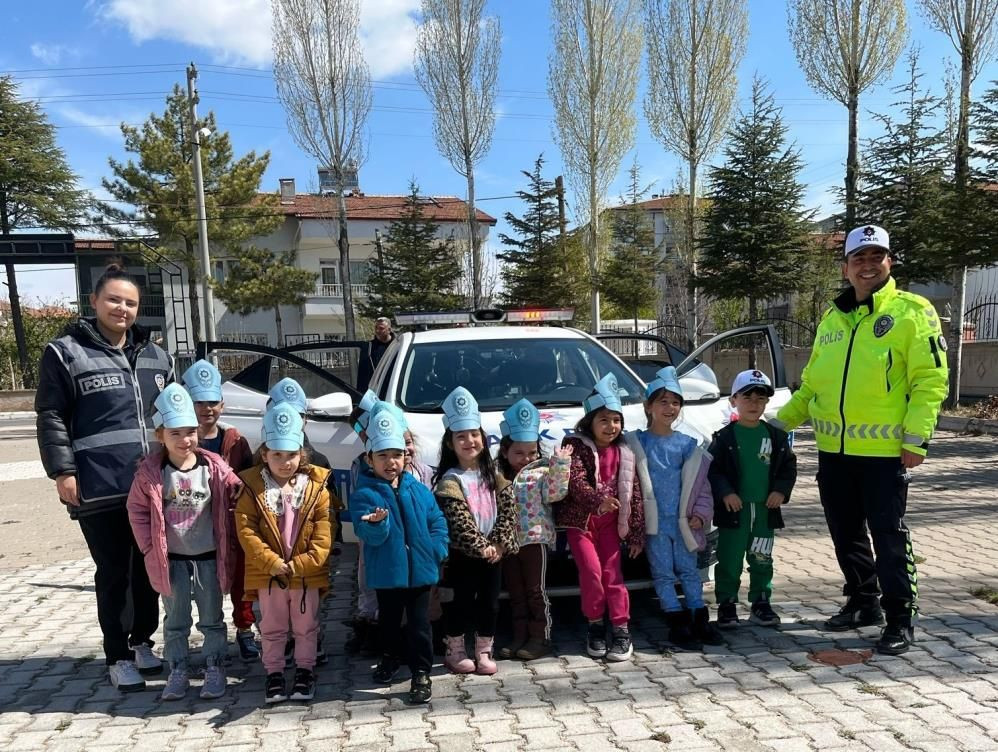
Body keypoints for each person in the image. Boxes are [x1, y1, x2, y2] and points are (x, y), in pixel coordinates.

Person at [774, 225, 949, 655]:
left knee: (889, 536)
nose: (868, 265)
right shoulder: (832, 319)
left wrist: (917, 438)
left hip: (885, 453)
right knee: (845, 533)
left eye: (877, 257)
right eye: (859, 259)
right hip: (834, 453)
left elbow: (930, 380)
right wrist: (775, 426)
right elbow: (813, 385)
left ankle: (901, 618)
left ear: (889, 262)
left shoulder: (913, 311)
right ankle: (862, 602)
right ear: (846, 268)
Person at [35, 261, 173, 692]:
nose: (122, 308)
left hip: (149, 485)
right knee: (112, 571)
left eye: (130, 302)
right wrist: (62, 471)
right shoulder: (65, 352)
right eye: (113, 299)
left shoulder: (157, 356)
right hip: (98, 486)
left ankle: (142, 641)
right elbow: (51, 415)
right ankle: (117, 655)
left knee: (148, 569)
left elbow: (171, 416)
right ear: (93, 301)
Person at [126, 384, 243, 700]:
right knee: (175, 620)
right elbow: (136, 510)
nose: (184, 440)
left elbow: (235, 489)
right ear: (160, 435)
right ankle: (177, 669)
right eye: (175, 433)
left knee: (212, 618)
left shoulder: (213, 466)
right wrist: (149, 546)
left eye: (190, 432)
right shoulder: (152, 472)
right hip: (172, 560)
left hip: (208, 556)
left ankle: (214, 666)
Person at [234, 404, 334, 703]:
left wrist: (301, 564)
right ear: (264, 454)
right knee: (273, 626)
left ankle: (304, 671)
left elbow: (324, 531)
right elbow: (246, 531)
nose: (284, 461)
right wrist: (273, 563)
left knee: (306, 626)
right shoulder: (251, 487)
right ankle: (274, 673)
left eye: (291, 454)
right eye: (276, 454)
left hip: (305, 574)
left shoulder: (316, 488)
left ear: (301, 454)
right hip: (270, 573)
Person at [352, 405, 449, 704]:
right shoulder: (364, 495)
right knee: (390, 622)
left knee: (420, 626)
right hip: (386, 574)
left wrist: (437, 549)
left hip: (420, 572)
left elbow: (437, 522)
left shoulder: (419, 490)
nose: (390, 462)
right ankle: (390, 659)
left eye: (396, 454)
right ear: (370, 459)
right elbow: (364, 532)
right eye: (382, 456)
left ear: (406, 457)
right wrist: (378, 526)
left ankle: (421, 671)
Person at [626, 367, 722, 651]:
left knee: (689, 571)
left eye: (675, 402)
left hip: (683, 523)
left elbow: (700, 487)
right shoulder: (636, 443)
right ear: (648, 406)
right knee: (663, 572)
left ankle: (698, 617)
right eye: (663, 401)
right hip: (655, 524)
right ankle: (675, 620)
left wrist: (701, 515)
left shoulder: (687, 445)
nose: (670, 408)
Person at [556, 374, 644, 661]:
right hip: (581, 524)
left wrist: (636, 533)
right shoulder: (576, 445)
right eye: (604, 420)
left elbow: (635, 492)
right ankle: (595, 626)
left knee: (612, 575)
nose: (611, 426)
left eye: (616, 420)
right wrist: (599, 501)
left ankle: (621, 628)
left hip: (611, 525)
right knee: (592, 574)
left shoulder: (625, 451)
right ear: (590, 422)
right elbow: (576, 481)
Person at [433, 387, 519, 675]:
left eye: (474, 434)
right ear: (450, 444)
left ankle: (484, 650)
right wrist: (481, 546)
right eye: (461, 437)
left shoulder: (495, 475)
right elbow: (459, 520)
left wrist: (500, 544)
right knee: (458, 603)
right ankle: (455, 650)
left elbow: (508, 511)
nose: (469, 441)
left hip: (494, 555)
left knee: (490, 605)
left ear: (483, 437)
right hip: (463, 556)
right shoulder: (449, 480)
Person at [708, 369, 797, 632]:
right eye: (747, 398)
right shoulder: (724, 438)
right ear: (733, 400)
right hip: (734, 513)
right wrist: (726, 492)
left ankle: (761, 600)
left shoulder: (776, 437)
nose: (754, 404)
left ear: (767, 403)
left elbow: (788, 467)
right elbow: (714, 470)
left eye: (760, 399)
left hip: (763, 512)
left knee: (761, 557)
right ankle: (727, 603)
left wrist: (780, 490)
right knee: (730, 559)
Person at [181, 359, 258, 662]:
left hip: (233, 522)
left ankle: (245, 630)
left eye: (212, 402)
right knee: (206, 583)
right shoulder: (182, 441)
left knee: (241, 580)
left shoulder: (235, 441)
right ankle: (212, 634)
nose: (206, 409)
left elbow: (249, 479)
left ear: (223, 405)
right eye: (200, 402)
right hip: (196, 525)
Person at [496, 398, 572, 661]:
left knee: (535, 590)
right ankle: (519, 635)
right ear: (505, 452)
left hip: (534, 538)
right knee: (515, 591)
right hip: (508, 541)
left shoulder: (541, 472)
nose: (526, 458)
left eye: (531, 452)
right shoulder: (498, 475)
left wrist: (560, 466)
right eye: (519, 453)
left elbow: (556, 494)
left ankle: (540, 637)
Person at [358, 317, 395, 391]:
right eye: (376, 328)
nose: (377, 331)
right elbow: (363, 374)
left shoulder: (397, 345)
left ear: (389, 330)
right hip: (376, 389)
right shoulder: (370, 347)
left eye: (381, 328)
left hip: (394, 386)